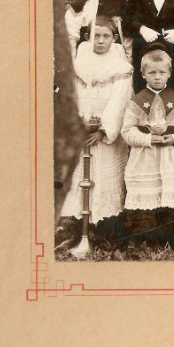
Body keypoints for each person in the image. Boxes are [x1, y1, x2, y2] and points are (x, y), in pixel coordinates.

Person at [56, 16, 133, 248]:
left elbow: (120, 101)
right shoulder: (80, 63)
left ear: (114, 38)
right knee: (80, 177)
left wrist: (103, 130)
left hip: (105, 133)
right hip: (81, 131)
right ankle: (76, 229)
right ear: (88, 37)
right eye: (96, 36)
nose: (100, 41)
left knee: (104, 178)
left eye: (106, 36)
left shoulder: (122, 68)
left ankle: (102, 231)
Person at [121, 44, 174, 245]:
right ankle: (145, 238)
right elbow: (127, 130)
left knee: (170, 193)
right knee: (146, 194)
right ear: (143, 74)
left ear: (169, 73)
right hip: (145, 156)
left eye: (162, 72)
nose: (157, 77)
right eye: (152, 73)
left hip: (169, 155)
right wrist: (146, 139)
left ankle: (169, 238)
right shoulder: (136, 102)